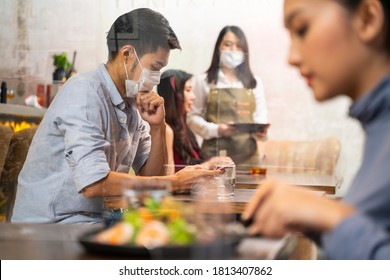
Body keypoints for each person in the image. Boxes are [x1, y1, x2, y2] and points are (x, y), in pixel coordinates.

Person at [11, 8, 218, 224]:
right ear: (127, 54)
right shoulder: (84, 91)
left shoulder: (132, 106)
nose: (156, 80)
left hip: (100, 219)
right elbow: (94, 184)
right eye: (154, 67)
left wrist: (158, 128)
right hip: (54, 226)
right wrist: (175, 182)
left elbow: (149, 177)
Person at [242, 0, 390, 259]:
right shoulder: (377, 125)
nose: (292, 57)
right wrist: (314, 218)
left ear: (368, 19)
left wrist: (330, 216)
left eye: (301, 30)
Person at [187, 25, 269, 166]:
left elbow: (261, 118)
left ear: (245, 51)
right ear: (218, 48)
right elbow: (192, 118)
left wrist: (261, 133)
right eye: (228, 44)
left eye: (239, 46)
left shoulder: (254, 83)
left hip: (248, 160)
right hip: (212, 158)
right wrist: (217, 129)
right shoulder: (203, 81)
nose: (233, 50)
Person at [157, 69, 232, 175]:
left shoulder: (184, 128)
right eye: (188, 90)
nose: (193, 97)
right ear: (174, 95)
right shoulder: (165, 131)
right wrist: (210, 164)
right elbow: (172, 177)